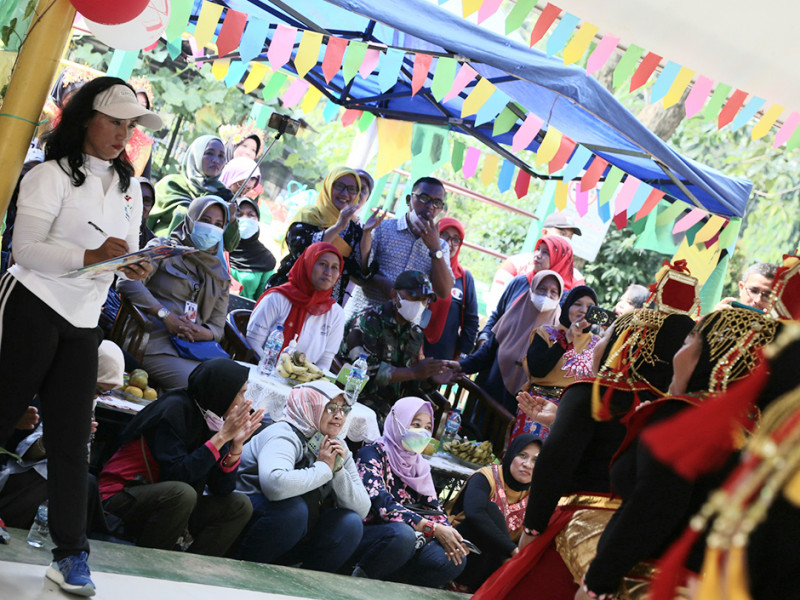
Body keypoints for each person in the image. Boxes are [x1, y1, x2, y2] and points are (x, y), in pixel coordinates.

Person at [0, 76, 160, 597]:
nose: (123, 134)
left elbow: (123, 251)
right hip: (31, 305)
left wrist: (134, 266)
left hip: (84, 320)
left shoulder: (129, 186)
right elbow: (25, 252)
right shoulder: (48, 175)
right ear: (86, 118)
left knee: (73, 441)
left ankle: (70, 555)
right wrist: (91, 255)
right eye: (114, 122)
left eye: (129, 125)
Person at [472, 308, 696, 600]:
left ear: (623, 345)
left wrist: (532, 530)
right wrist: (560, 420)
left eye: (607, 335)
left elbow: (554, 465)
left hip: (575, 526)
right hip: (632, 545)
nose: (598, 342)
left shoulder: (591, 392)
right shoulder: (672, 410)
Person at [576, 308, 777, 600]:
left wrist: (596, 584)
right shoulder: (758, 432)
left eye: (686, 342)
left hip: (651, 584)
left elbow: (654, 507)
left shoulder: (686, 416)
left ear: (708, 358)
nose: (674, 355)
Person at [98, 359, 260, 556]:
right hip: (121, 495)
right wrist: (221, 438)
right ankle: (148, 562)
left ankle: (193, 567)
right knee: (182, 494)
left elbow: (222, 488)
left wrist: (235, 447)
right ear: (222, 391)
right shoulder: (173, 409)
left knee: (239, 506)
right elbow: (178, 474)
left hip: (172, 502)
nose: (244, 401)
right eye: (241, 393)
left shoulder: (213, 418)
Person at [236, 380, 370, 571]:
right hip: (248, 515)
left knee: (350, 523)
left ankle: (307, 580)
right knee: (293, 511)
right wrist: (324, 468)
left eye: (344, 409)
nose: (339, 416)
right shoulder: (283, 434)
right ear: (309, 407)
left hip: (294, 528)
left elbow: (363, 508)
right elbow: (275, 486)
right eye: (331, 408)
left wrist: (338, 471)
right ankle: (245, 568)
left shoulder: (336, 445)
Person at [0, 341, 124, 531]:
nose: (94, 397)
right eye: (96, 389)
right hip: (13, 471)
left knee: (83, 481)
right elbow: (25, 453)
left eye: (102, 393)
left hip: (42, 472)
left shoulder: (83, 400)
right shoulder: (41, 387)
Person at [352, 396, 467, 587]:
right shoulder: (372, 454)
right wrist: (432, 528)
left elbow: (434, 510)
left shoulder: (420, 466)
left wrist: (451, 535)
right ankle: (359, 581)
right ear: (398, 422)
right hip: (373, 533)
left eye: (427, 427)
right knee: (403, 536)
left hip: (411, 538)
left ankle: (405, 589)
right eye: (416, 424)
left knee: (453, 556)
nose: (422, 432)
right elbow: (384, 507)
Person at [118, 196, 231, 390]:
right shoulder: (164, 249)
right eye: (205, 220)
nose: (211, 228)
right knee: (197, 387)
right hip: (153, 341)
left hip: (193, 350)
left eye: (218, 224)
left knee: (228, 387)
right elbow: (127, 281)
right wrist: (165, 315)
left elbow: (218, 327)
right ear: (191, 219)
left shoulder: (219, 274)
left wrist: (202, 332)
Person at [337, 270, 450, 420]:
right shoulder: (368, 321)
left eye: (424, 300)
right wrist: (414, 372)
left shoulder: (415, 334)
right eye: (413, 296)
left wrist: (430, 379)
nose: (419, 304)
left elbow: (410, 385)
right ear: (394, 294)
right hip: (357, 403)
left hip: (393, 411)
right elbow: (365, 371)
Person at [267, 167, 384, 305]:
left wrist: (367, 233)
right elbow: (301, 252)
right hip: (289, 295)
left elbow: (360, 272)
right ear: (328, 186)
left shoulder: (354, 230)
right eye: (339, 186)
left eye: (352, 189)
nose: (345, 193)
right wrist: (338, 227)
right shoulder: (310, 215)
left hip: (325, 306)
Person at [345, 176, 454, 319]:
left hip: (401, 330)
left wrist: (435, 249)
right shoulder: (382, 228)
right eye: (424, 198)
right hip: (362, 321)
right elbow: (357, 272)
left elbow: (444, 292)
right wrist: (381, 283)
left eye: (437, 203)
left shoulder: (441, 247)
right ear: (409, 200)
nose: (430, 206)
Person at [457, 271, 563, 415]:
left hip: (522, 408)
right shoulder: (512, 317)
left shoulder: (558, 335)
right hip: (491, 394)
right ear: (532, 289)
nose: (546, 296)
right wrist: (459, 366)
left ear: (559, 297)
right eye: (542, 289)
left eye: (553, 292)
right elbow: (487, 352)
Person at [447, 434, 541, 592]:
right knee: (490, 510)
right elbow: (474, 512)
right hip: (461, 548)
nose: (528, 465)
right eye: (522, 455)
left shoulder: (536, 494)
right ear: (510, 454)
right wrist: (512, 552)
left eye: (536, 460)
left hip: (495, 563)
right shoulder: (486, 477)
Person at [513, 285, 600, 440]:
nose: (583, 310)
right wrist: (567, 339)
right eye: (577, 304)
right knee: (527, 452)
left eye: (590, 307)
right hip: (538, 407)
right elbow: (537, 370)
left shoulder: (598, 343)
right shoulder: (545, 333)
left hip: (572, 414)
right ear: (567, 306)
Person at [247, 242, 344, 371]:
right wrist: (275, 372)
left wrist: (307, 379)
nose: (328, 272)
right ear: (308, 264)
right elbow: (253, 342)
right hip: (263, 372)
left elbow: (325, 361)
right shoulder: (277, 298)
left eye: (334, 267)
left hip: (303, 381)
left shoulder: (336, 313)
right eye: (322, 264)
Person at [476, 236, 579, 349]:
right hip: (497, 351)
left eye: (546, 252)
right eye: (538, 249)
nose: (538, 255)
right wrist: (484, 337)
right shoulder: (520, 282)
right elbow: (498, 315)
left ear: (560, 260)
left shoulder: (566, 299)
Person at [149, 135, 240, 252]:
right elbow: (146, 222)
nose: (216, 160)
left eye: (221, 156)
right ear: (195, 154)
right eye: (209, 153)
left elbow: (230, 246)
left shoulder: (224, 196)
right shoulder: (171, 184)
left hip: (199, 260)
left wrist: (231, 218)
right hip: (160, 254)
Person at [488, 213, 583, 309]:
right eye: (562, 234)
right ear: (545, 232)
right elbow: (495, 306)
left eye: (570, 236)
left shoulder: (576, 278)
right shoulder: (515, 265)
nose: (566, 240)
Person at [423, 217, 479, 360]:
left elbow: (471, 322)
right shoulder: (421, 265)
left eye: (455, 240)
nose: (449, 244)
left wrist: (462, 356)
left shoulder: (464, 278)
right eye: (444, 236)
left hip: (442, 358)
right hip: (409, 348)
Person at [228, 197, 276, 300]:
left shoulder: (265, 259)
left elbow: (262, 299)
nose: (245, 219)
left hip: (244, 309)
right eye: (239, 214)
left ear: (257, 220)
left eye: (251, 215)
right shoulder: (221, 249)